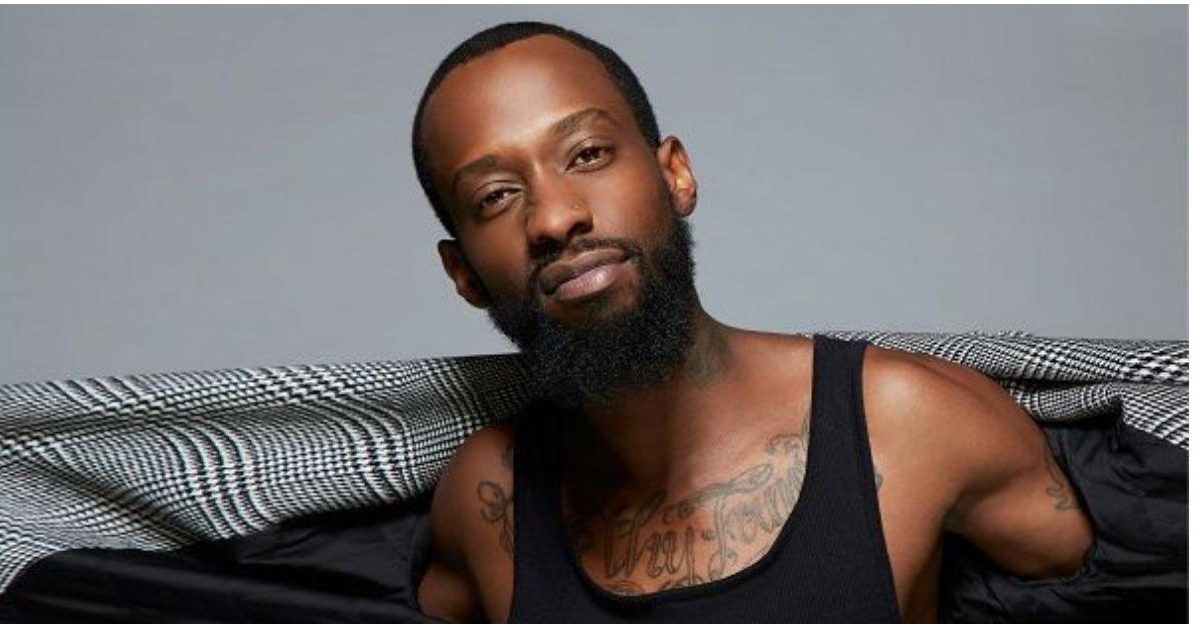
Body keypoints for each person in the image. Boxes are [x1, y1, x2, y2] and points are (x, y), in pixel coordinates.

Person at [411, 21, 1095, 623]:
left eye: (588, 154)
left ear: (675, 174)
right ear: (463, 274)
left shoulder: (916, 421)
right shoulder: (484, 497)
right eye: (495, 196)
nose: (556, 217)